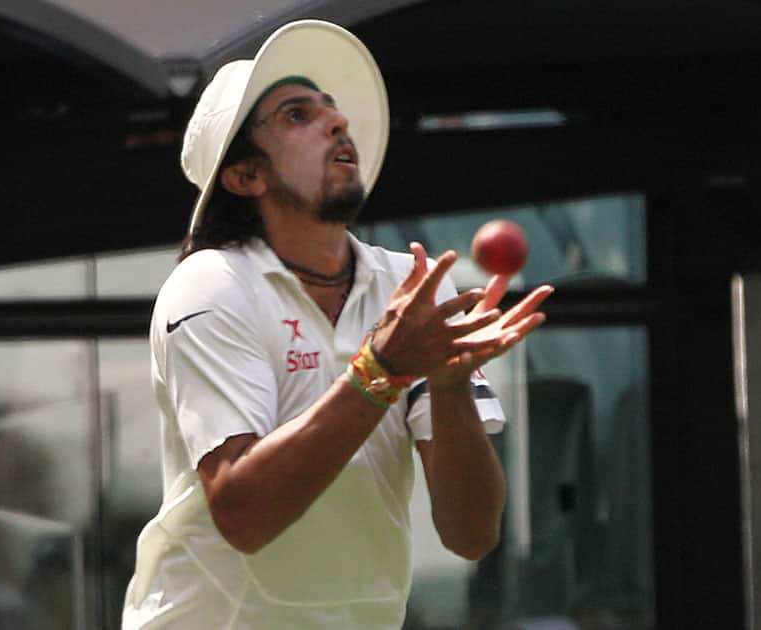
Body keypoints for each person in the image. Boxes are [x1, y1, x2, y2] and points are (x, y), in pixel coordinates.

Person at [122, 19, 553, 629]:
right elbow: (244, 516)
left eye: (332, 110)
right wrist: (381, 371)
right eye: (298, 115)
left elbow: (471, 534)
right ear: (246, 176)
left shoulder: (412, 285)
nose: (338, 122)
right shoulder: (210, 286)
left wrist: (452, 388)